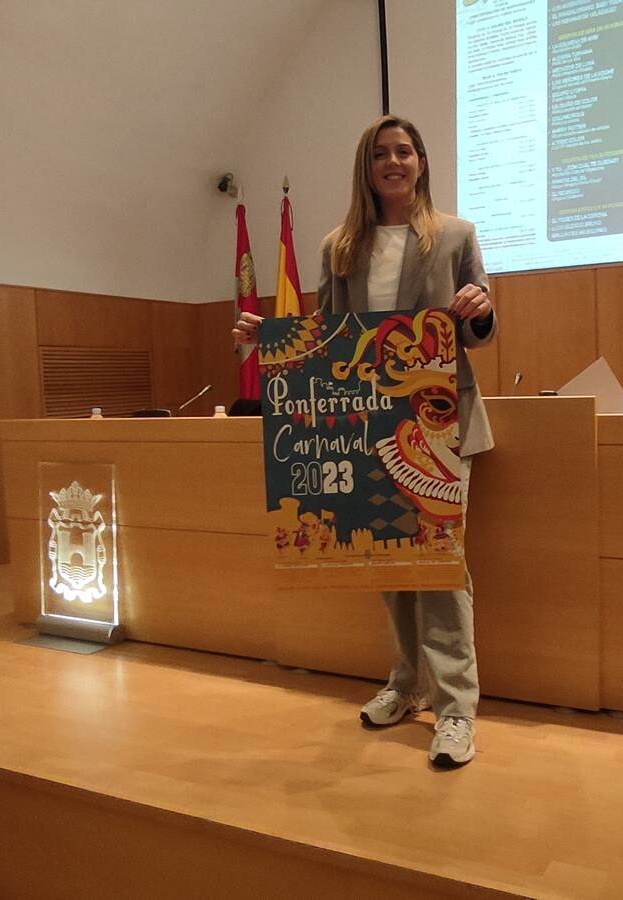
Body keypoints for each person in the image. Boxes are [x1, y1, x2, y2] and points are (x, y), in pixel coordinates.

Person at [233, 114, 496, 767]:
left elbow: (479, 329)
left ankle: (456, 709)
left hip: (439, 422)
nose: (394, 162)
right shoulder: (338, 247)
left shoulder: (456, 234)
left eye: (405, 151)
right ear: (367, 167)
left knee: (439, 566)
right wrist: (269, 338)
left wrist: (479, 308)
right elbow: (327, 339)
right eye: (381, 153)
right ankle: (407, 685)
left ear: (422, 162)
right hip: (367, 424)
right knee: (388, 563)